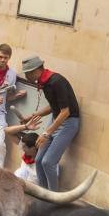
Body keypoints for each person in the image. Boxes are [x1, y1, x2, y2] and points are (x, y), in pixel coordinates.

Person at [21, 55, 81, 190]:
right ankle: (43, 194)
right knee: (38, 160)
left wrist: (47, 133)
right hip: (56, 119)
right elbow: (54, 106)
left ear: (36, 70)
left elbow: (65, 112)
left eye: (28, 73)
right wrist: (33, 115)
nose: (26, 76)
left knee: (48, 162)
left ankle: (53, 197)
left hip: (68, 123)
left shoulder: (56, 81)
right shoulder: (44, 82)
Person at [4, 115, 42, 184]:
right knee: (20, 172)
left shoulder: (43, 160)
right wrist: (25, 127)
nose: (22, 148)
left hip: (34, 190)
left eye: (25, 147)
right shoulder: (28, 152)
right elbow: (7, 131)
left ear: (33, 148)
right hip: (19, 186)